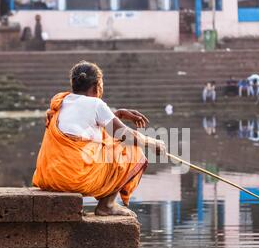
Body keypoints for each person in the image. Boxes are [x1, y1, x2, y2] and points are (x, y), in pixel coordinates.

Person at [32, 61, 166, 217]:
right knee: (131, 149)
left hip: (49, 177)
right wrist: (153, 143)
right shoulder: (96, 104)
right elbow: (125, 135)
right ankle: (107, 206)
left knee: (106, 140)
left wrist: (117, 113)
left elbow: (87, 122)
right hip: (73, 179)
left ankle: (107, 204)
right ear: (97, 86)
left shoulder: (62, 101)